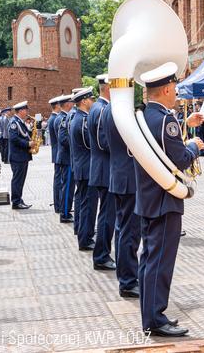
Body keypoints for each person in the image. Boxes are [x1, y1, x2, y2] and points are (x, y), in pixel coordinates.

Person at [135, 62, 204, 337]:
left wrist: (184, 127)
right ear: (166, 89)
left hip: (148, 197)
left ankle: (150, 313)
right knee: (160, 261)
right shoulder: (166, 119)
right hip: (164, 199)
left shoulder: (144, 116)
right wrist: (193, 147)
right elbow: (178, 158)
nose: (176, 91)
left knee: (149, 258)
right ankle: (155, 319)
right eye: (174, 87)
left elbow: (160, 149)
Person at [102, 92, 141, 298]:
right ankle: (127, 281)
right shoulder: (122, 110)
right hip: (128, 177)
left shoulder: (110, 108)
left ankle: (126, 278)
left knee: (123, 229)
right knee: (130, 232)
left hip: (119, 174)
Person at [88, 75, 117, 270]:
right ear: (107, 88)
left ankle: (102, 253)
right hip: (105, 170)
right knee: (107, 216)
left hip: (103, 169)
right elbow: (102, 142)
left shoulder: (98, 108)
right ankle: (101, 256)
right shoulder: (102, 110)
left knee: (107, 215)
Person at [70, 87, 98, 250]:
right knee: (88, 206)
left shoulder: (79, 118)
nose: (92, 102)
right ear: (84, 101)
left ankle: (83, 233)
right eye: (91, 99)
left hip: (82, 167)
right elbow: (90, 144)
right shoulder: (82, 121)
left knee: (84, 204)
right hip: (86, 169)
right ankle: (85, 239)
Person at [9, 101, 34, 210]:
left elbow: (25, 134)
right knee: (17, 180)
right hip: (17, 156)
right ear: (20, 111)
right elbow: (13, 138)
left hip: (21, 156)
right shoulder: (14, 122)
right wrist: (28, 143)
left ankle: (19, 199)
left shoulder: (20, 121)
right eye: (25, 110)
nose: (27, 112)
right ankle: (16, 201)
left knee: (20, 180)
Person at [55, 94, 75, 223]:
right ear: (67, 104)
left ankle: (65, 209)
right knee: (67, 187)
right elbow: (63, 139)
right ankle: (65, 213)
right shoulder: (63, 118)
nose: (73, 105)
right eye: (71, 103)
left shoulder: (62, 117)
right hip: (66, 158)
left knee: (67, 186)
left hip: (65, 157)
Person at [47, 96, 62, 212]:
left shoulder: (53, 118)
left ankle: (58, 203)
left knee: (58, 179)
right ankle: (58, 204)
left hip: (56, 152)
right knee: (58, 180)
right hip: (58, 153)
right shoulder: (55, 119)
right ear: (57, 106)